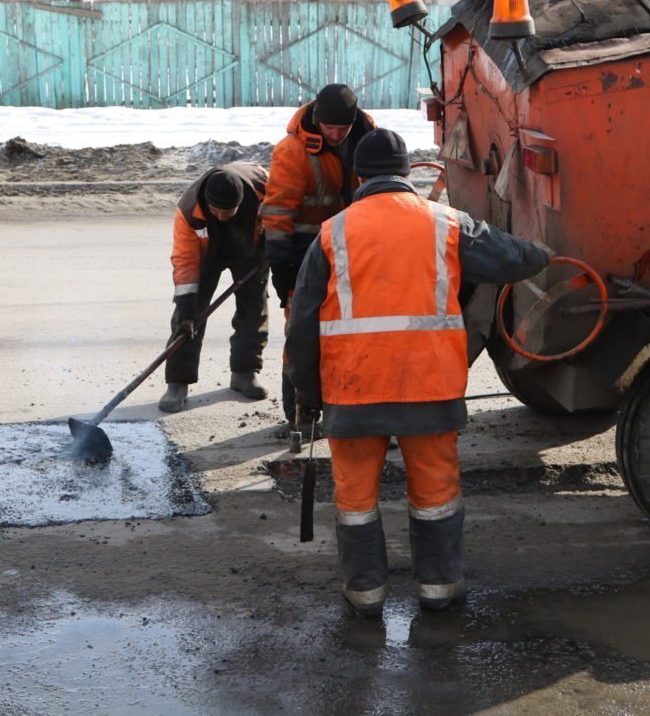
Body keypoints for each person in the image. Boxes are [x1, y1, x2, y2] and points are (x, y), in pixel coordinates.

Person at [285, 128, 551, 618]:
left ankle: (365, 597)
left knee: (357, 498)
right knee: (435, 493)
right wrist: (546, 255)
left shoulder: (332, 233)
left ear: (360, 177)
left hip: (354, 392)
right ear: (407, 174)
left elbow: (302, 322)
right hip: (428, 387)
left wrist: (305, 393)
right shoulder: (447, 224)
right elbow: (511, 259)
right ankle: (439, 590)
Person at [262, 83, 376, 428]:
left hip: (357, 251)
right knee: (302, 332)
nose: (337, 135)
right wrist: (282, 269)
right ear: (317, 119)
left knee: (355, 330)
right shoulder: (292, 152)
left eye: (343, 128)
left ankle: (350, 407)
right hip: (304, 254)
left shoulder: (369, 139)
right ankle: (299, 416)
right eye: (330, 128)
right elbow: (278, 215)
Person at [159, 163, 271, 413]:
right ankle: (178, 381)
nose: (221, 216)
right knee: (188, 317)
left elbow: (282, 216)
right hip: (206, 255)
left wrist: (270, 247)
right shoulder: (189, 211)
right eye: (216, 211)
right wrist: (187, 311)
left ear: (241, 204)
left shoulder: (264, 187)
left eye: (228, 211)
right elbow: (185, 263)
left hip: (250, 250)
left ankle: (245, 372)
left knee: (254, 309)